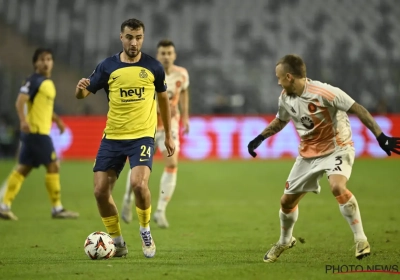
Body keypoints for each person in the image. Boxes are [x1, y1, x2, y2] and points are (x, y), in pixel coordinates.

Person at [247, 54, 400, 262]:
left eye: (279, 77)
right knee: (286, 202)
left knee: (337, 187)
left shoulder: (325, 92)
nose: (278, 81)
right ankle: (284, 240)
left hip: (337, 147)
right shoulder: (285, 97)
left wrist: (380, 137)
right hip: (308, 154)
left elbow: (358, 109)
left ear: (289, 77)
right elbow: (281, 121)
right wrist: (260, 138)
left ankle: (361, 239)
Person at [75, 19, 174, 259]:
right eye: (129, 37)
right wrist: (80, 89)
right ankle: (118, 242)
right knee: (100, 191)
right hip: (113, 137)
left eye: (138, 37)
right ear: (121, 37)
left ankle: (145, 230)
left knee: (139, 185)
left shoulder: (153, 67)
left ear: (143, 37)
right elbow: (84, 93)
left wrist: (169, 134)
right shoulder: (108, 66)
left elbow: (163, 100)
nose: (134, 42)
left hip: (142, 136)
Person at [0, 48, 79, 221]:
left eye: (49, 59)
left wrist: (57, 120)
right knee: (53, 165)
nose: (46, 62)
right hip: (37, 133)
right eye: (42, 59)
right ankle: (57, 208)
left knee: (23, 168)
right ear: (35, 63)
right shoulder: (34, 80)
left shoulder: (47, 82)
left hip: (38, 133)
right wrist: (22, 121)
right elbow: (20, 101)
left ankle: (4, 205)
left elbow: (44, 108)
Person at [121, 39, 190, 228]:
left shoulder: (181, 74)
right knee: (139, 170)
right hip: (147, 126)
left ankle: (160, 211)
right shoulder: (147, 72)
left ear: (174, 55)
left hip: (169, 127)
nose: (166, 56)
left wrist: (185, 116)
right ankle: (127, 200)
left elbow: (183, 92)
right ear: (157, 55)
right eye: (163, 53)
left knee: (172, 162)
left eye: (169, 53)